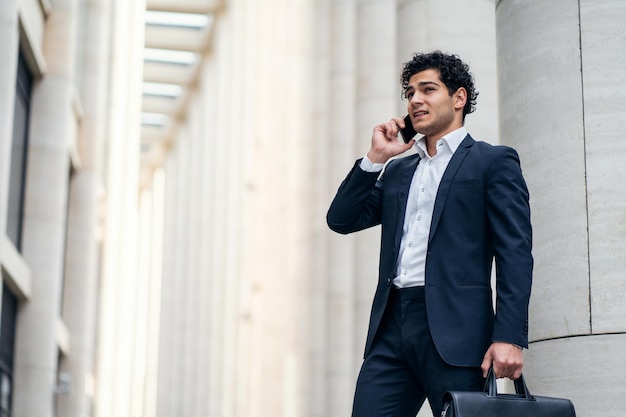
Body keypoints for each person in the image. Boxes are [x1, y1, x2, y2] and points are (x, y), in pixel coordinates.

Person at [326, 51, 533, 417]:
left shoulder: (492, 162)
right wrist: (375, 158)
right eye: (409, 93)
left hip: (459, 333)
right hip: (391, 329)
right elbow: (341, 219)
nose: (415, 99)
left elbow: (515, 252)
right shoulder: (398, 171)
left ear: (458, 98)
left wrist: (510, 336)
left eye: (427, 89)